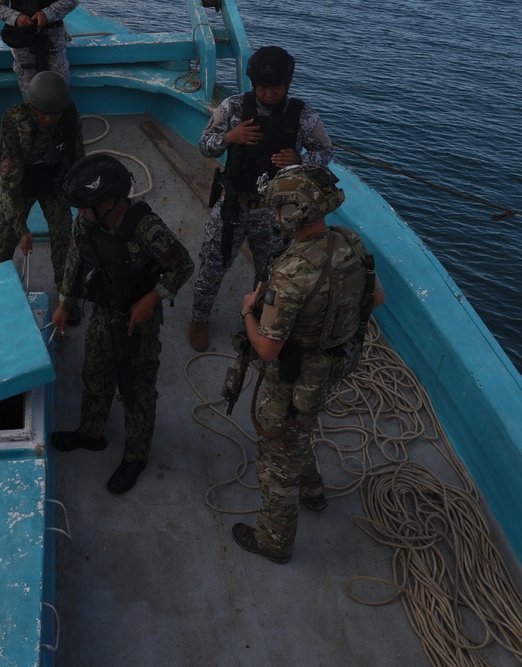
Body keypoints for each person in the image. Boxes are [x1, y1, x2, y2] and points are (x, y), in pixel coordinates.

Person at [231, 165, 385, 563]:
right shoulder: (349, 241)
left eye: (280, 206)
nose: (276, 214)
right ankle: (313, 491)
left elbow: (266, 349)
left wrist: (248, 311)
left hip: (294, 376)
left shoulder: (291, 271)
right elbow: (376, 299)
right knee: (300, 430)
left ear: (293, 211)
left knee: (276, 457)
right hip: (334, 365)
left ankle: (274, 542)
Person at [49, 154, 194, 494]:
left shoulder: (146, 230)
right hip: (104, 309)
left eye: (86, 208)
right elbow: (75, 257)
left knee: (136, 388)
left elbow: (182, 266)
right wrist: (65, 303)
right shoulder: (86, 223)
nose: (80, 215)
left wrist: (151, 299)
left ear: (110, 202)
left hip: (137, 319)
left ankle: (135, 455)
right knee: (96, 372)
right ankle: (91, 432)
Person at [189, 45, 334, 353]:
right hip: (233, 204)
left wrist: (300, 159)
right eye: (263, 87)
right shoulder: (233, 109)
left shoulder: (302, 116)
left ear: (288, 83)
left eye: (277, 87)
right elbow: (204, 145)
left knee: (270, 273)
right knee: (213, 264)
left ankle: (258, 323)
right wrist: (230, 137)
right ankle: (199, 318)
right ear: (253, 84)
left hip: (275, 212)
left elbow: (325, 152)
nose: (270, 93)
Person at [0, 69, 85, 324]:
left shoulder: (70, 118)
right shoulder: (16, 123)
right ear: (32, 107)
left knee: (64, 236)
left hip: (53, 181)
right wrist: (21, 228)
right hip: (22, 183)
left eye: (55, 113)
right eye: (44, 113)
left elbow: (78, 160)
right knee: (1, 241)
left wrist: (83, 201)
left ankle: (66, 297)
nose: (50, 119)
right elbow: (9, 186)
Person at [0, 0, 78, 94]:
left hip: (53, 40)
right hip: (23, 40)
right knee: (29, 87)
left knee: (59, 84)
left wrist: (46, 14)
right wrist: (15, 17)